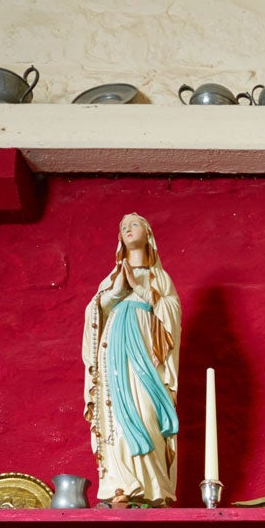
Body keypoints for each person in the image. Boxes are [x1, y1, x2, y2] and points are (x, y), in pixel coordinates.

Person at [81, 211, 181, 506]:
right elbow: (94, 316)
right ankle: (120, 483)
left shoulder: (159, 278)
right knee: (115, 420)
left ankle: (152, 488)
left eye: (134, 224)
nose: (127, 228)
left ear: (148, 234)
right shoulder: (110, 279)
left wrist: (139, 290)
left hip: (146, 360)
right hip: (114, 360)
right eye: (123, 226)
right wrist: (114, 294)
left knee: (147, 413)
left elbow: (172, 314)